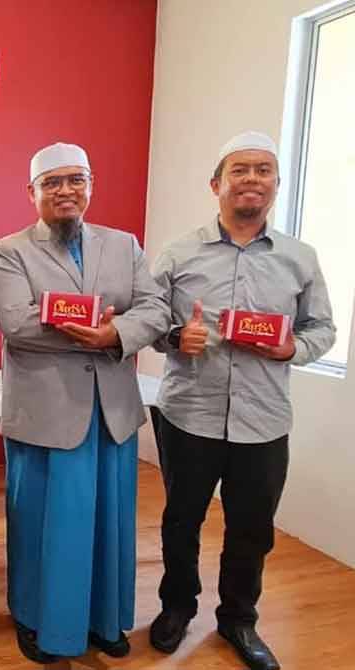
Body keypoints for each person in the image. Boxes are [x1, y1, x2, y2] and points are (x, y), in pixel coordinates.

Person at [149, 131, 335, 670]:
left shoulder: (300, 258)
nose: (251, 179)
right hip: (189, 413)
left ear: (276, 184)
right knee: (181, 520)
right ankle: (176, 608)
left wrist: (293, 347)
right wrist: (174, 337)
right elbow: (150, 318)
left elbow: (323, 328)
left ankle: (238, 619)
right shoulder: (179, 252)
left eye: (263, 170)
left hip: (264, 420)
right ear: (217, 184)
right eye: (240, 170)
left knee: (251, 527)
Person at [0, 142, 169, 664]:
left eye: (76, 180)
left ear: (90, 185)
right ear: (32, 192)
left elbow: (157, 308)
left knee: (108, 521)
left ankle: (105, 619)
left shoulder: (124, 244)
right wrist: (89, 336)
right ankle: (36, 618)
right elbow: (17, 324)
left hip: (111, 411)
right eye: (52, 183)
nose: (65, 191)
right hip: (45, 412)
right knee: (44, 524)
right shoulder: (11, 249)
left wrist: (114, 335)